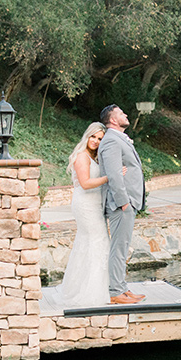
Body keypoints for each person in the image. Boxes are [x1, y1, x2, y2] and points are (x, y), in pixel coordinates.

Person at [61, 122, 115, 308]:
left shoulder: (94, 157)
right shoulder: (82, 157)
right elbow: (85, 183)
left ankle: (86, 289)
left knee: (89, 243)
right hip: (85, 205)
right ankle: (91, 294)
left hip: (94, 204)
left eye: (100, 139)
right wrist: (110, 177)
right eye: (93, 137)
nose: (96, 141)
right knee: (98, 242)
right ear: (87, 135)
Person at [98, 104, 146, 305]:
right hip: (121, 204)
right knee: (119, 248)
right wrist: (124, 202)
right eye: (121, 113)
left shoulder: (118, 139)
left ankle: (122, 288)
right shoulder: (110, 140)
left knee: (123, 246)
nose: (125, 114)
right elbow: (114, 175)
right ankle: (116, 291)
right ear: (112, 120)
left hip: (127, 203)